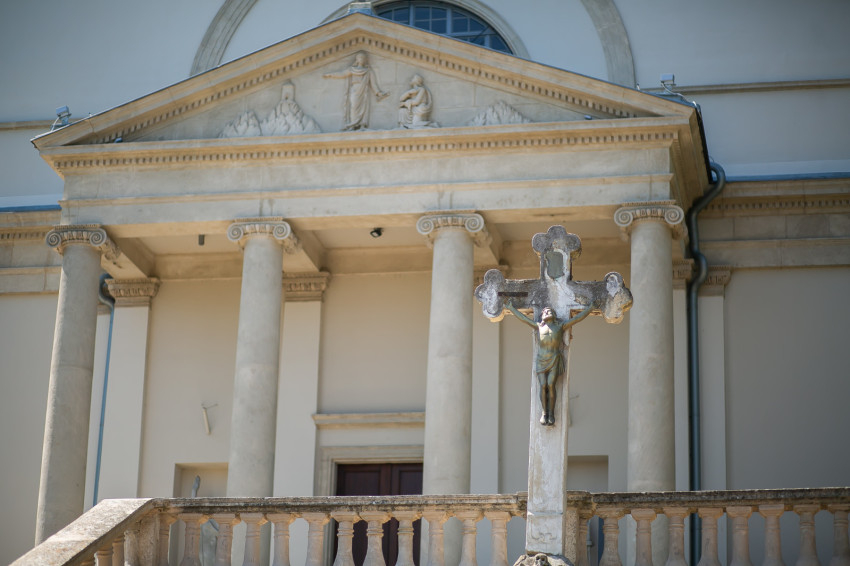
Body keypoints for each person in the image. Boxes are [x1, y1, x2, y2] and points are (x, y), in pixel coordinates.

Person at [506, 301, 593, 425]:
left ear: (554, 315)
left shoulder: (560, 326)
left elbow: (577, 318)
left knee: (551, 384)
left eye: (550, 311)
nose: (547, 312)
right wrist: (511, 308)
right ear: (542, 316)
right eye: (545, 311)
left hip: (554, 358)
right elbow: (524, 319)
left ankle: (551, 413)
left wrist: (590, 308)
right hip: (541, 360)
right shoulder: (539, 326)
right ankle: (544, 413)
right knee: (543, 385)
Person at [323, 52, 388, 131]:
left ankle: (361, 124)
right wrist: (331, 75)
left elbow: (373, 84)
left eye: (363, 58)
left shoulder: (368, 71)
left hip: (363, 92)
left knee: (363, 108)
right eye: (360, 58)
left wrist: (378, 93)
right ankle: (353, 124)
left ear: (365, 60)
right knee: (353, 107)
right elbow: (342, 74)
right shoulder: (352, 69)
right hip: (354, 90)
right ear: (357, 60)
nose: (362, 59)